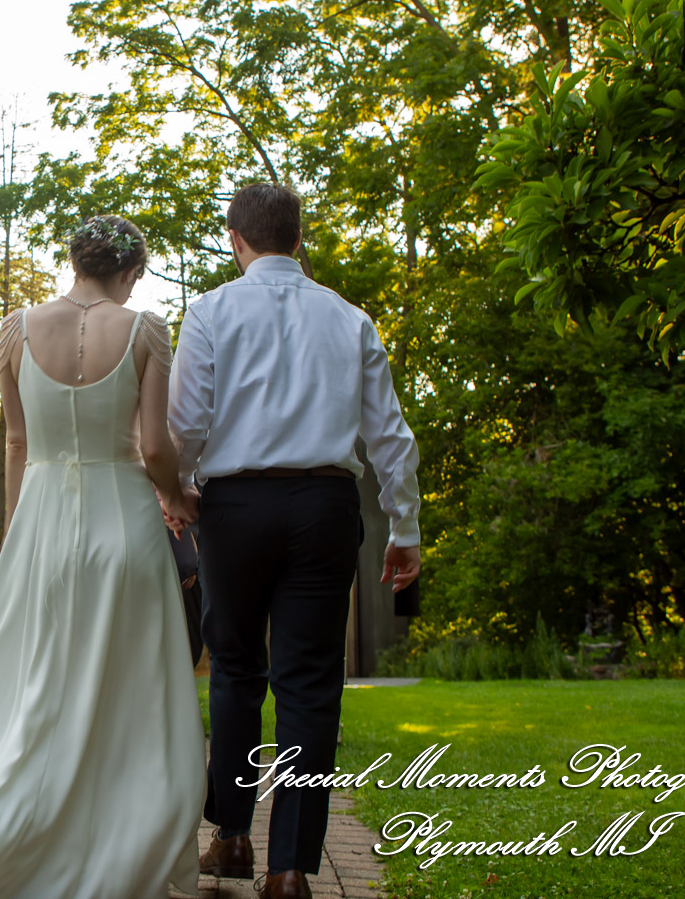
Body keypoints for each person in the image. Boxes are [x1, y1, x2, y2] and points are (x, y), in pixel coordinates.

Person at [0, 216, 204, 899]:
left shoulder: (17, 329)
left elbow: (17, 445)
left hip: (44, 518)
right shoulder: (144, 330)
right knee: (132, 691)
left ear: (74, 260)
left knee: (30, 685)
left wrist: (18, 529)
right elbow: (154, 445)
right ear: (132, 271)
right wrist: (179, 495)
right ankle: (121, 840)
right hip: (125, 521)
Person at [168, 183, 422, 899]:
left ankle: (233, 835)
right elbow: (390, 438)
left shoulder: (211, 311)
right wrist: (405, 529)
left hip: (235, 508)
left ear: (234, 238)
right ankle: (289, 871)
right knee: (310, 683)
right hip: (322, 505)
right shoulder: (349, 318)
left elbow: (185, 424)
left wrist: (179, 492)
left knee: (237, 671)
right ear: (299, 239)